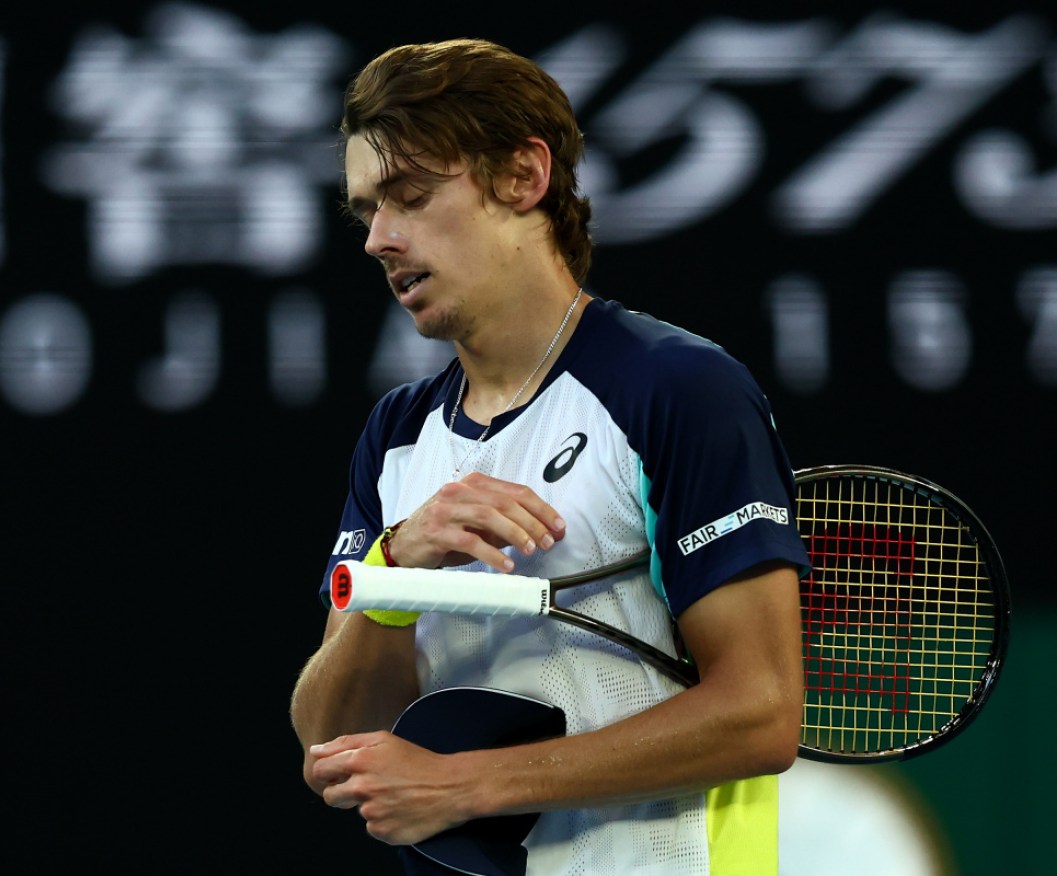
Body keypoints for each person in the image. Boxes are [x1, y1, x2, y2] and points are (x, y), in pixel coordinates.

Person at [290, 37, 811, 876]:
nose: (377, 239)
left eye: (410, 195)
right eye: (365, 212)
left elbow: (759, 711)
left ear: (523, 178)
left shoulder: (675, 389)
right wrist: (394, 568)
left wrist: (466, 785)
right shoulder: (396, 437)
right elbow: (329, 733)